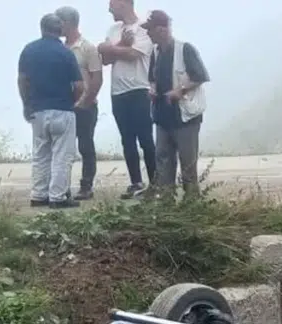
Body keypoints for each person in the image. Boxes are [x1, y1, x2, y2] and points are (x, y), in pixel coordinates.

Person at [18, 13, 83, 209]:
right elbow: (79, 85)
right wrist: (71, 102)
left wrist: (26, 104)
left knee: (41, 154)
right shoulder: (65, 53)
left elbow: (22, 80)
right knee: (62, 155)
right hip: (62, 109)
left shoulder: (29, 50)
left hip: (38, 109)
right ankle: (58, 196)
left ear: (42, 28)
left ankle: (38, 194)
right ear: (60, 30)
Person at [145, 11, 209, 199]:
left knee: (187, 163)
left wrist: (179, 90)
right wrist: (152, 89)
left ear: (162, 29)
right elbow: (152, 78)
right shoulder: (155, 53)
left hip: (185, 116)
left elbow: (200, 76)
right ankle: (167, 203)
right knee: (163, 161)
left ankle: (191, 201)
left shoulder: (185, 49)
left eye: (150, 30)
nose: (148, 34)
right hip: (162, 116)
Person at [99, 0, 157, 199]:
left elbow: (133, 54)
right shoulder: (114, 29)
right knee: (127, 139)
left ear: (123, 3)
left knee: (145, 138)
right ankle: (135, 182)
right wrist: (122, 44)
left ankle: (156, 183)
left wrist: (112, 48)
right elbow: (104, 58)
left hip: (139, 89)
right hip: (118, 92)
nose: (109, 9)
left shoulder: (143, 28)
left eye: (112, 5)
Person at [56, 6, 103, 200]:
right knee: (63, 149)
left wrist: (86, 101)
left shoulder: (87, 48)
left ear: (67, 23)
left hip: (84, 106)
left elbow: (96, 78)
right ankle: (61, 187)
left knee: (85, 146)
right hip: (64, 106)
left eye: (59, 22)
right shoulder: (59, 48)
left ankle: (86, 185)